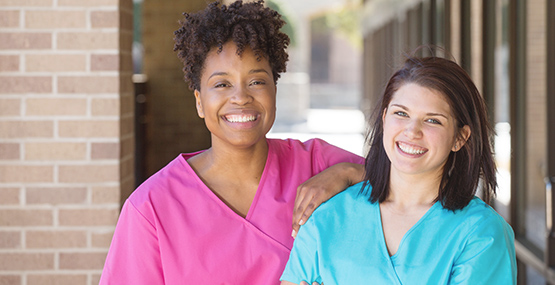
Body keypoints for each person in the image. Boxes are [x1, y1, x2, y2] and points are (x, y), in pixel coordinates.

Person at [99, 1, 364, 284]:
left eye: (257, 82)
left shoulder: (317, 165)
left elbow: (407, 185)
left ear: (275, 91)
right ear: (200, 102)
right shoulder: (152, 207)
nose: (240, 97)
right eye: (222, 84)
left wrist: (350, 173)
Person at [280, 56, 517, 284]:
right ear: (384, 119)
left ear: (460, 137)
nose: (412, 131)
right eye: (401, 114)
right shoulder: (327, 217)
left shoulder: (482, 233)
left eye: (433, 120)